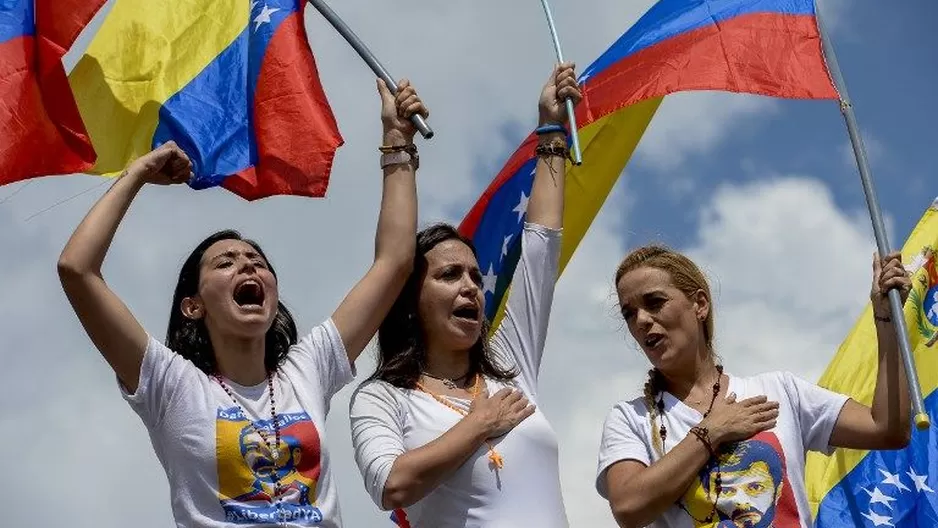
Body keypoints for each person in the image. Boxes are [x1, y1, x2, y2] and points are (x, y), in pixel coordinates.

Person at [56, 78, 428, 527]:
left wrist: (396, 142)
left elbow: (394, 263)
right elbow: (77, 270)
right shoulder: (171, 386)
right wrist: (136, 173)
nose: (248, 267)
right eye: (226, 263)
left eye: (257, 261)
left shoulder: (306, 370)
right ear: (193, 306)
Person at [348, 63, 582, 527]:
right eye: (450, 275)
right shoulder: (382, 398)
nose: (471, 286)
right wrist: (479, 425)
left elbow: (539, 248)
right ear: (412, 298)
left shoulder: (511, 370)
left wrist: (551, 129)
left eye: (475, 276)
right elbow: (391, 484)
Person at [595, 245, 913, 528]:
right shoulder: (630, 419)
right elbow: (628, 508)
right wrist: (712, 431)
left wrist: (887, 321)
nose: (641, 320)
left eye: (655, 302)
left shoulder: (780, 391)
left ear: (699, 304)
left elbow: (886, 428)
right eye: (629, 313)